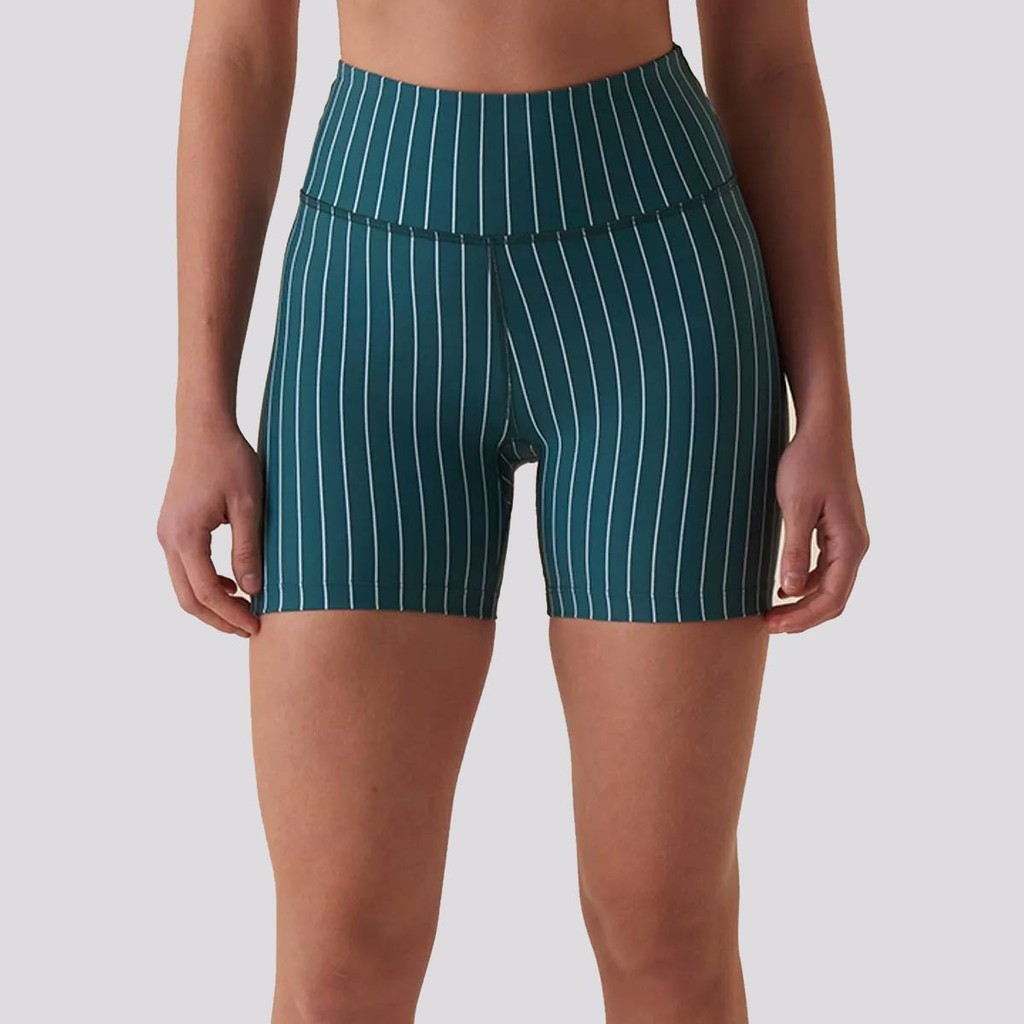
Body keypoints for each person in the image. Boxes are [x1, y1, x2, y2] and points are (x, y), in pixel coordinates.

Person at [158, 0, 869, 1020]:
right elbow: (237, 45)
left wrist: (827, 401)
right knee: (343, 946)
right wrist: (199, 405)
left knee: (662, 925)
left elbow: (767, 62)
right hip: (375, 301)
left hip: (656, 293)